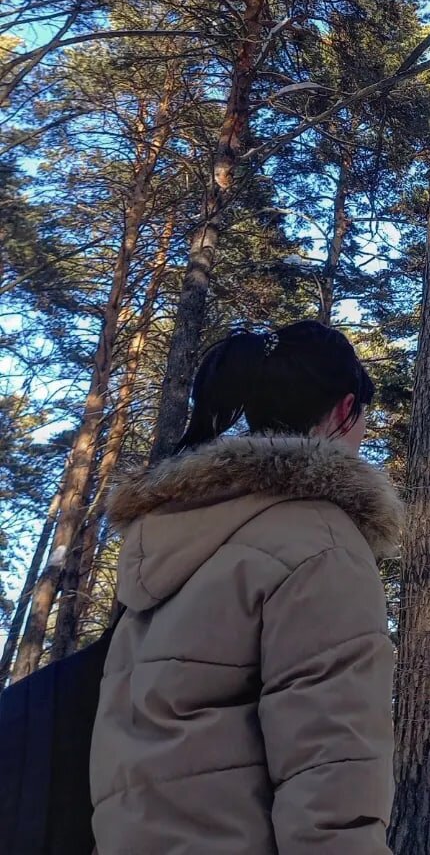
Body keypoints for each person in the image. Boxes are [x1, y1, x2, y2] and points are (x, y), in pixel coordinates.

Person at [90, 321, 402, 854]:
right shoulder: (321, 542)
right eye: (364, 420)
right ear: (346, 410)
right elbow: (331, 768)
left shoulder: (171, 535)